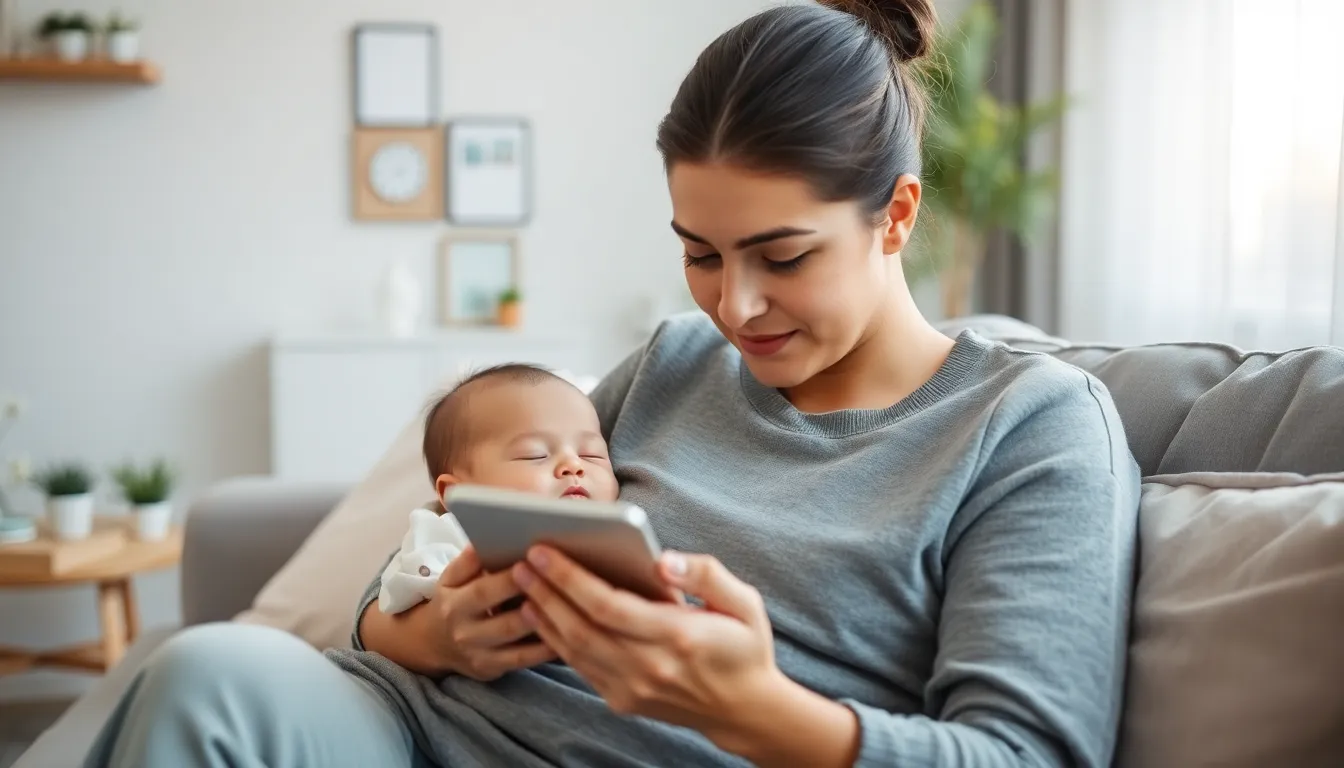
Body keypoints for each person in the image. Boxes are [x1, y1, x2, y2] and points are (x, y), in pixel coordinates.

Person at [82, 1, 1140, 766]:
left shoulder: (1031, 429)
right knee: (204, 673)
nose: (736, 308)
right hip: (409, 726)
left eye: (783, 256)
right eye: (701, 252)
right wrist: (434, 629)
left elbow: (1023, 754)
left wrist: (755, 710)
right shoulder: (675, 365)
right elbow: (405, 578)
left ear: (896, 217)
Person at [378, 363, 620, 615]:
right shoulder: (449, 538)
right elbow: (396, 599)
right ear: (456, 494)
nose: (574, 464)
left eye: (591, 454)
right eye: (534, 455)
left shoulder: (621, 541)